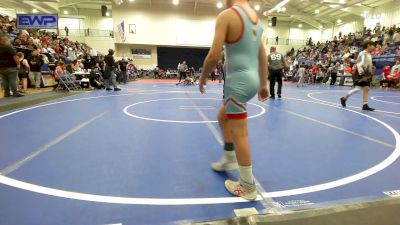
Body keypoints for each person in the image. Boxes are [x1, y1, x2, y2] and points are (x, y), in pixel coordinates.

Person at [199, 0, 269, 200]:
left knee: (240, 134)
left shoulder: (227, 16)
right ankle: (229, 158)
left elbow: (213, 55)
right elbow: (262, 55)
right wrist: (263, 84)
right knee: (223, 116)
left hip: (236, 82)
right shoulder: (256, 20)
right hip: (251, 79)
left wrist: (203, 77)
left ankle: (247, 187)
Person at [340, 40, 376, 111]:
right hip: (363, 74)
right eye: (373, 45)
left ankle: (364, 104)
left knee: (366, 88)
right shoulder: (363, 53)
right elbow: (360, 64)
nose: (374, 47)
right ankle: (344, 98)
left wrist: (371, 68)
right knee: (359, 88)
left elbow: (358, 62)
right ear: (368, 45)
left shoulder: (368, 54)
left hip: (367, 74)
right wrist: (363, 74)